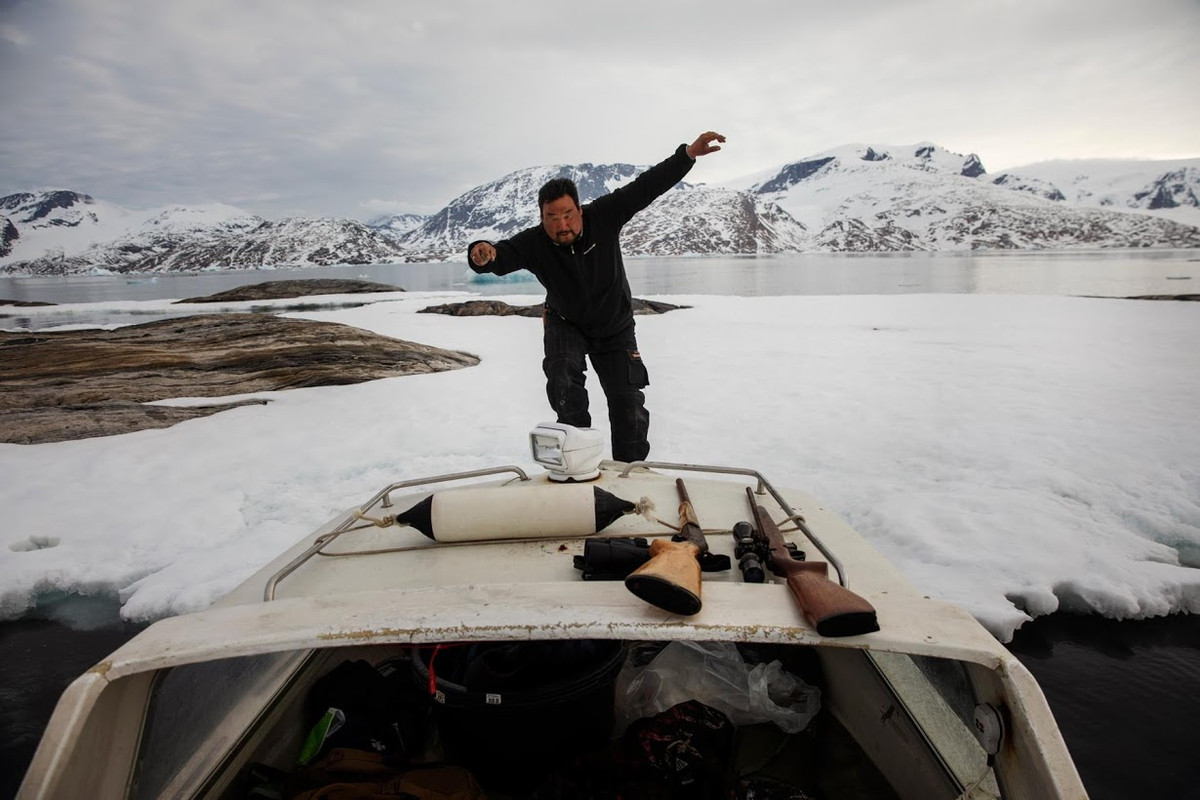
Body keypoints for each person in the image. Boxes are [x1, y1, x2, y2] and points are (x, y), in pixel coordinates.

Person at [468, 131, 726, 463]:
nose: (561, 224)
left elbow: (647, 186)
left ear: (579, 209)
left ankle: (629, 474)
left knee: (628, 405)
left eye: (567, 214)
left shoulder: (604, 215)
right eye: (552, 217)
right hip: (566, 324)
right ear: (541, 217)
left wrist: (687, 155)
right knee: (563, 380)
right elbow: (499, 256)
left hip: (615, 327)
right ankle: (578, 464)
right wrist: (481, 252)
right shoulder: (534, 243)